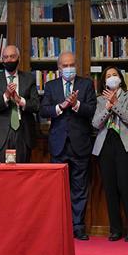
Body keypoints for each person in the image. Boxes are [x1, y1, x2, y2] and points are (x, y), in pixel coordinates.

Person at [39, 51, 96, 240]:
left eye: (72, 65)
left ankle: (78, 227)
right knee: (58, 189)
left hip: (80, 144)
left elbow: (92, 110)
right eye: (65, 65)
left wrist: (76, 104)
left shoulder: (86, 84)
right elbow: (43, 110)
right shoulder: (51, 86)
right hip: (58, 144)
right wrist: (62, 106)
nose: (69, 68)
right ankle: (60, 226)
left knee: (79, 188)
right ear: (59, 68)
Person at [92, 66, 128, 242]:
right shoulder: (99, 100)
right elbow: (95, 123)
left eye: (114, 75)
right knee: (110, 189)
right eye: (108, 76)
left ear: (120, 78)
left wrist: (116, 103)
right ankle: (115, 229)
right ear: (104, 82)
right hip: (105, 145)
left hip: (125, 145)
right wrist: (107, 107)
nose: (112, 78)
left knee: (127, 187)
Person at [0, 45, 39, 163]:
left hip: (23, 132)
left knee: (22, 174)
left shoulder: (29, 78)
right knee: (1, 176)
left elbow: (36, 105)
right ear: (2, 60)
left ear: (18, 58)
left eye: (12, 56)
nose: (9, 60)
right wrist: (6, 96)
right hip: (1, 133)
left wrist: (20, 101)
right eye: (6, 57)